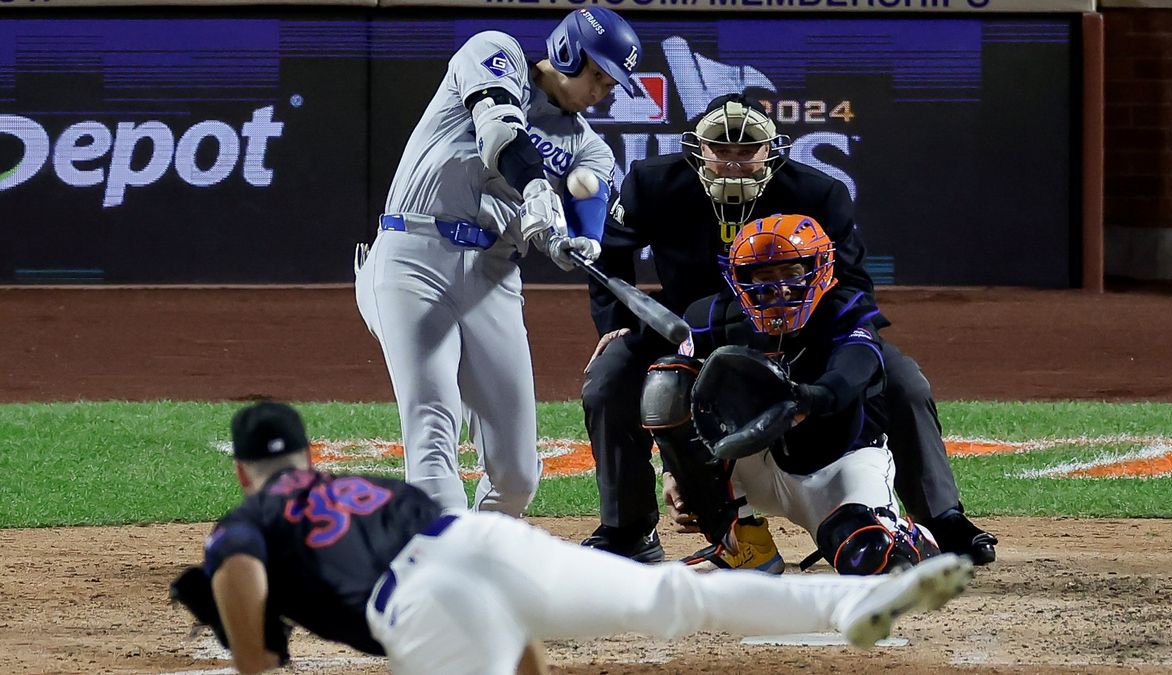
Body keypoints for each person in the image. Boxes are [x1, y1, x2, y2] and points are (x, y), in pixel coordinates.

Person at [170, 400, 976, 675]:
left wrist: (253, 646)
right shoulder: (368, 487)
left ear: (244, 470)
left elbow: (243, 576)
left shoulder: (246, 519)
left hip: (421, 597)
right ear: (308, 457)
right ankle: (851, 602)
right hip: (483, 545)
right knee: (675, 593)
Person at [581, 93, 997, 565]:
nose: (734, 162)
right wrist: (613, 326)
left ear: (770, 151)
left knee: (902, 380)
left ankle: (941, 520)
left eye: (746, 150)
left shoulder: (819, 194)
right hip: (691, 324)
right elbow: (609, 259)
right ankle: (632, 527)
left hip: (799, 325)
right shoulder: (651, 183)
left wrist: (837, 342)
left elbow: (853, 282)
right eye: (721, 149)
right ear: (697, 149)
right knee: (610, 378)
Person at [354, 8, 640, 517]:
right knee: (433, 428)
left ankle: (484, 559)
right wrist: (534, 188)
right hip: (414, 255)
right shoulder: (495, 51)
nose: (602, 89)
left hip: (495, 276)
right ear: (567, 51)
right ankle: (441, 577)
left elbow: (589, 200)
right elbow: (500, 134)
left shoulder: (589, 148)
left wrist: (575, 242)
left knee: (518, 474)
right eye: (597, 73)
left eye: (610, 81)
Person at [645, 214, 941, 576]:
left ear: (818, 270)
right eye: (764, 278)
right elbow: (676, 404)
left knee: (869, 556)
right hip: (750, 460)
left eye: (791, 274)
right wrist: (674, 472)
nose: (779, 289)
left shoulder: (845, 310)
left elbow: (850, 374)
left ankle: (908, 536)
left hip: (837, 463)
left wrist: (805, 399)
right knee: (666, 382)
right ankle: (742, 544)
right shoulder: (712, 317)